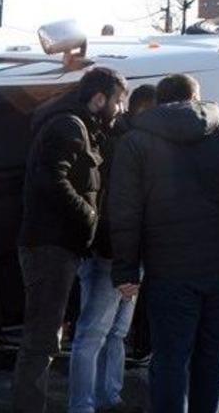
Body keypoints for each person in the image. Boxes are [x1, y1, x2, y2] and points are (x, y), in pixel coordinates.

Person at [110, 74, 219, 413]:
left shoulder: (135, 142)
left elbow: (124, 212)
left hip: (170, 270)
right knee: (212, 358)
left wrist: (125, 269)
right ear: (195, 97)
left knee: (170, 360)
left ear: (158, 100)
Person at [13, 67, 128, 413]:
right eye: (118, 102)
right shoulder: (68, 126)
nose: (120, 110)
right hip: (51, 247)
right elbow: (51, 180)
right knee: (41, 340)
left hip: (61, 247)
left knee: (47, 336)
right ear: (99, 99)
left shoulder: (82, 127)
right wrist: (89, 216)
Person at [67, 84, 155, 413]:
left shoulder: (125, 141)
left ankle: (107, 398)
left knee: (114, 332)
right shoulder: (124, 145)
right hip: (112, 253)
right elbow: (119, 207)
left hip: (124, 254)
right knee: (95, 333)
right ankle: (84, 405)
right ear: (145, 111)